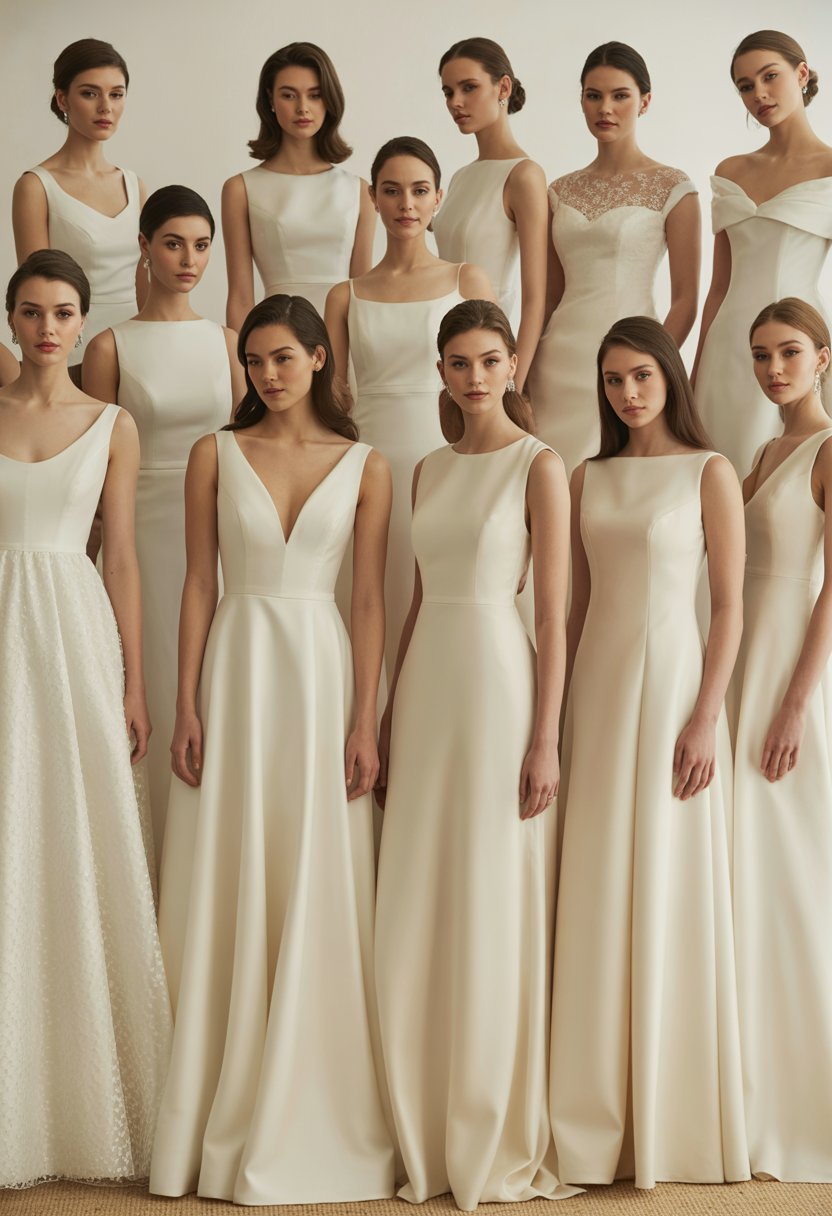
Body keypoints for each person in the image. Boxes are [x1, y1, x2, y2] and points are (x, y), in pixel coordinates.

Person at [149, 295, 395, 1204]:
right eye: (254, 361)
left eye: (283, 357)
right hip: (240, 668)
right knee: (232, 861)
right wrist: (185, 702)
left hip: (322, 674)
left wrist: (365, 719)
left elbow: (367, 600)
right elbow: (198, 584)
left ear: (321, 357)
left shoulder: (367, 465)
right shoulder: (214, 453)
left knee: (314, 864)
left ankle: (313, 1092)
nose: (267, 374)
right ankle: (213, 1092)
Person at [374, 299, 576, 1210]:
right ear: (441, 372)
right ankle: (416, 1114)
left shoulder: (540, 465)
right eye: (458, 363)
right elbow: (417, 600)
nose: (475, 377)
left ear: (510, 366)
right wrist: (388, 712)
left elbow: (553, 619)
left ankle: (487, 1119)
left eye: (489, 360)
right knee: (419, 891)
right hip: (429, 687)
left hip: (501, 683)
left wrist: (546, 738)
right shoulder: (426, 468)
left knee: (491, 890)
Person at [550, 317, 749, 1187]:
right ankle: (593, 1115)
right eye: (612, 380)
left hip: (674, 690)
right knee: (599, 882)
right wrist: (553, 718)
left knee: (668, 880)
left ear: (670, 376)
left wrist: (707, 715)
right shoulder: (585, 476)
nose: (627, 393)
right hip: (598, 691)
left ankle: (672, 1117)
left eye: (641, 376)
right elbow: (572, 611)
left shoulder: (710, 472)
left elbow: (729, 607)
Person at [0, 250, 171, 1188]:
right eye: (31, 311)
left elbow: (125, 559)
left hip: (72, 632)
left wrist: (134, 683)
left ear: (81, 320)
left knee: (69, 833)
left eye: (63, 312)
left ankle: (76, 1102)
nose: (47, 328)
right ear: (12, 319)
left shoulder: (113, 424)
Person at [83, 185, 244, 861]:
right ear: (143, 247)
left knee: (209, 689)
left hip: (216, 539)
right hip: (139, 538)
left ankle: (203, 867)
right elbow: (89, 469)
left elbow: (246, 451)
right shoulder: (109, 347)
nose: (189, 260)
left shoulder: (229, 343)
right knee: (140, 681)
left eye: (202, 246)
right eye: (173, 244)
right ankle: (141, 864)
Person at [326, 136, 492, 671]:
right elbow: (332, 403)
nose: (406, 204)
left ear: (438, 198)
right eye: (392, 191)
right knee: (373, 592)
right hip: (369, 465)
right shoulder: (345, 295)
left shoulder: (467, 280)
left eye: (420, 191)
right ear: (373, 198)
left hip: (450, 460)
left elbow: (492, 387)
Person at [732, 297, 832, 1181]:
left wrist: (798, 703)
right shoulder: (764, 453)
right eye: (761, 355)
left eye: (790, 352)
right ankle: (746, 1087)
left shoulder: (829, 449)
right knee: (749, 870)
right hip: (744, 667)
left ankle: (802, 1104)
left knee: (793, 869)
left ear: (823, 358)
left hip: (793, 672)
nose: (774, 370)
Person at [527, 42, 699, 475]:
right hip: (557, 363)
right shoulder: (558, 191)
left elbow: (686, 300)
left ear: (645, 101)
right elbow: (548, 298)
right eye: (593, 95)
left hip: (628, 362)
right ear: (582, 101)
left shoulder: (674, 188)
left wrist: (648, 370)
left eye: (620, 95)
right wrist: (522, 372)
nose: (605, 108)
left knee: (615, 481)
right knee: (552, 481)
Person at [693, 29, 832, 475]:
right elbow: (718, 286)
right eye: (745, 86)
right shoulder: (731, 170)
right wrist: (695, 372)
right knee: (722, 472)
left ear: (802, 74)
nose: (759, 94)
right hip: (728, 348)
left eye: (770, 76)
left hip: (797, 343)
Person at [12, 39, 145, 377]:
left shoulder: (134, 185)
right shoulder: (36, 186)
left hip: (136, 349)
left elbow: (148, 286)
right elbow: (36, 292)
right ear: (62, 99)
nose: (106, 107)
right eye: (90, 93)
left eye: (116, 94)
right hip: (71, 356)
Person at [222, 41, 375, 329]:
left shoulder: (359, 191)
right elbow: (241, 298)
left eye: (315, 95)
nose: (302, 108)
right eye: (289, 95)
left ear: (329, 101)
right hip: (275, 339)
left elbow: (363, 296)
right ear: (270, 100)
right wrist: (241, 357)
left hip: (344, 338)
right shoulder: (240, 189)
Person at [434, 37, 548, 391]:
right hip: (443, 349)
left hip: (489, 361)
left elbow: (535, 299)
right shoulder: (460, 177)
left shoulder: (524, 176)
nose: (455, 102)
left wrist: (514, 387)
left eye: (468, 87)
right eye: (448, 92)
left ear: (504, 87)